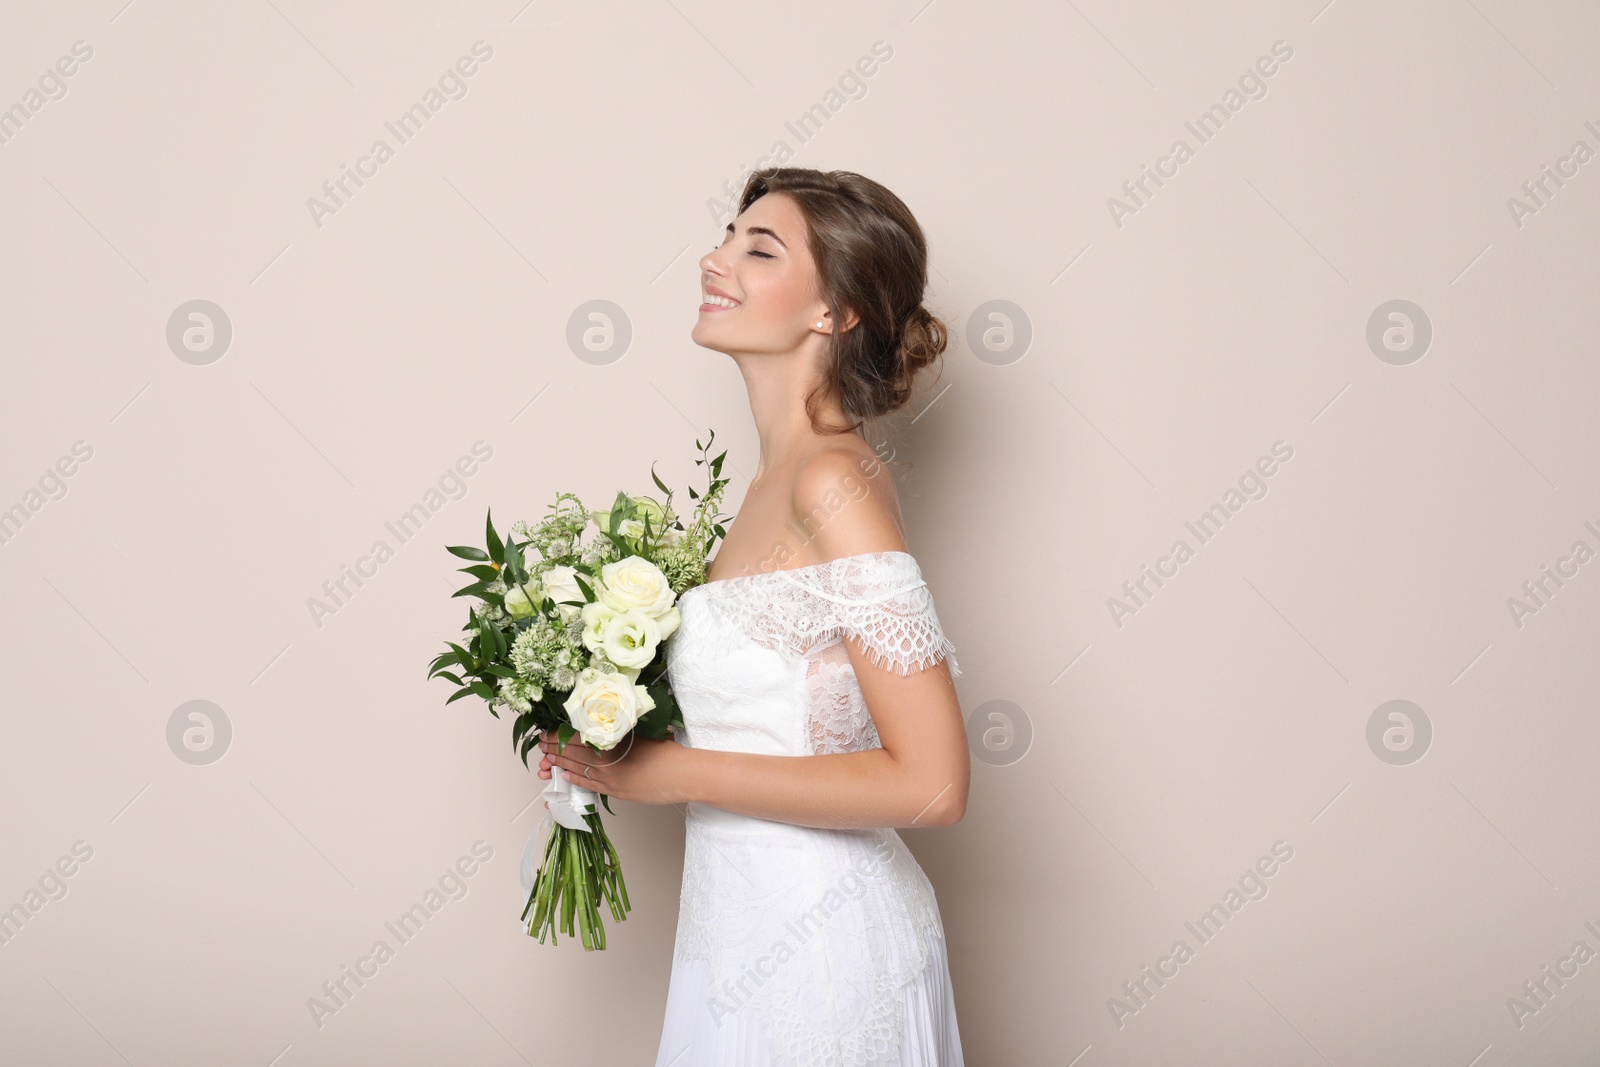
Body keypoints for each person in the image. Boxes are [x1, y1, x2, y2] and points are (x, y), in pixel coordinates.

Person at [536, 167, 968, 1066]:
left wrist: (677, 771)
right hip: (730, 936)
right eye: (727, 236)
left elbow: (932, 782)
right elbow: (784, 718)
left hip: (821, 951)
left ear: (834, 311)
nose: (715, 258)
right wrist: (605, 740)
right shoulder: (769, 486)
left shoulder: (830, 481)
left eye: (757, 248)